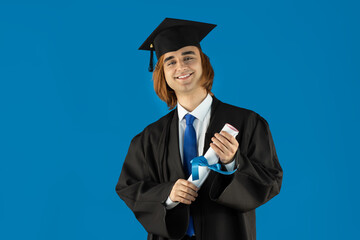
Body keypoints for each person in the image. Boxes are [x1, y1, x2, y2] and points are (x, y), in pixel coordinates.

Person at [115, 18, 283, 240]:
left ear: (204, 63)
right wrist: (168, 195)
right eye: (170, 62)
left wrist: (233, 162)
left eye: (188, 57)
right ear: (162, 73)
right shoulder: (148, 138)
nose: (181, 67)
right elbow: (129, 188)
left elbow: (270, 181)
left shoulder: (247, 123)